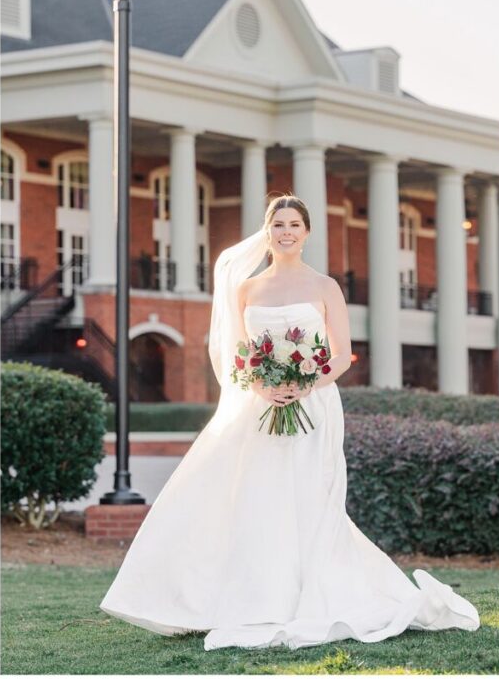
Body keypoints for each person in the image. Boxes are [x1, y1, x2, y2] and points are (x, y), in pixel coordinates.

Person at [101, 194, 479, 650]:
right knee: (258, 497)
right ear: (267, 230)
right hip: (259, 407)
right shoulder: (246, 289)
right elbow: (239, 356)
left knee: (310, 498)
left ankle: (316, 593)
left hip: (315, 405)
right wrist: (262, 385)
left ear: (307, 232)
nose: (285, 231)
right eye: (277, 224)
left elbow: (341, 354)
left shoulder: (325, 287)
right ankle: (251, 596)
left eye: (293, 224)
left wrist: (304, 384)